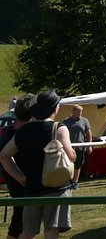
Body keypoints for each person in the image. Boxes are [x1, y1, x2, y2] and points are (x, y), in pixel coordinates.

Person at [0, 90, 76, 239]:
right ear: (55, 108)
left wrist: (20, 178)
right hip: (56, 188)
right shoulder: (59, 128)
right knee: (51, 230)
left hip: (31, 189)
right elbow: (71, 156)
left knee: (27, 232)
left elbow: (4, 156)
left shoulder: (22, 131)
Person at [0, 95, 33, 239]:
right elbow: (6, 157)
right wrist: (21, 178)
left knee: (24, 222)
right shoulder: (13, 134)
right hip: (20, 183)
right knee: (20, 221)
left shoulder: (12, 131)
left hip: (20, 182)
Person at [61, 105, 92, 189]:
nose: (80, 113)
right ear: (73, 111)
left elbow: (89, 134)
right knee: (67, 165)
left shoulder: (85, 121)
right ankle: (68, 182)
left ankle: (75, 182)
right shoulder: (66, 121)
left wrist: (89, 146)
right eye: (78, 111)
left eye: (81, 111)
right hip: (68, 147)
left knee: (78, 165)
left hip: (80, 147)